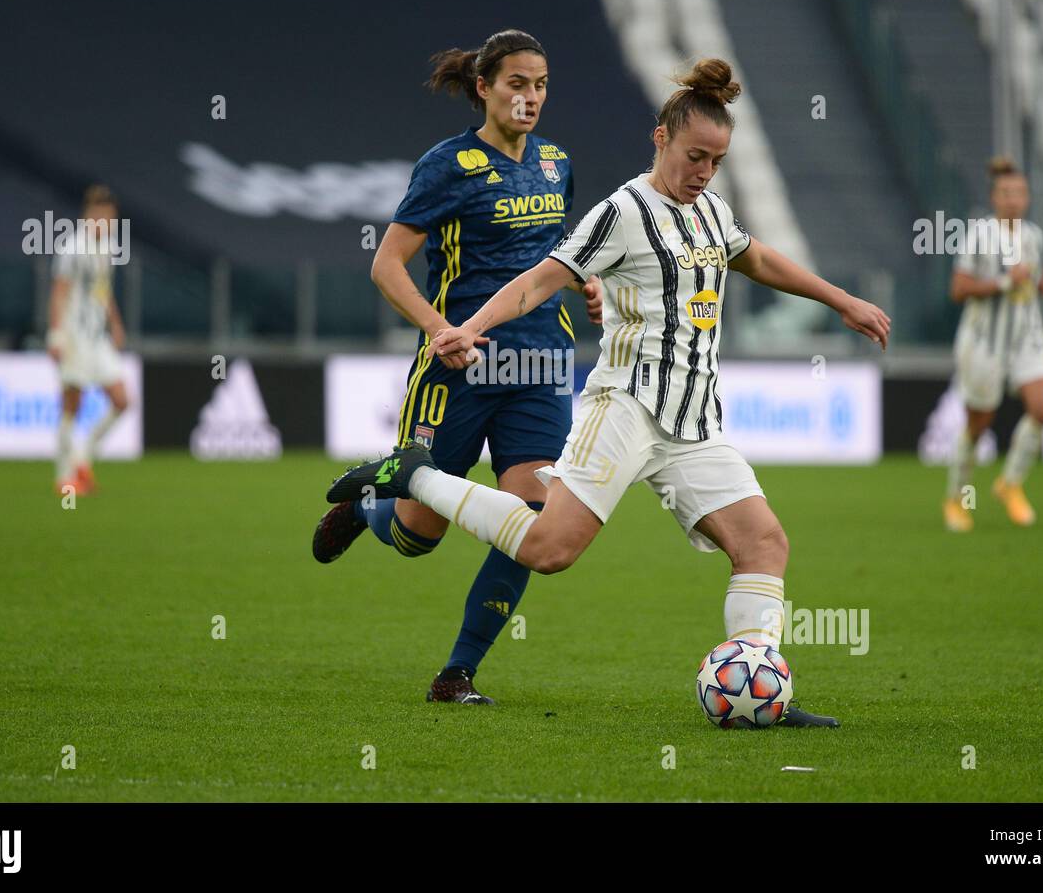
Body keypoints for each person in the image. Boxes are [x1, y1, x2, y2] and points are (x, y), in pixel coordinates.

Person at [326, 58, 892, 727]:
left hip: (693, 423)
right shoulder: (624, 211)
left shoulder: (711, 211)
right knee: (547, 549)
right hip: (623, 407)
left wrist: (840, 300)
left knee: (765, 544)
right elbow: (539, 279)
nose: (704, 172)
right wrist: (466, 328)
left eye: (716, 160)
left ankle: (757, 691)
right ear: (660, 140)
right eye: (694, 157)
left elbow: (758, 258)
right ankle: (415, 477)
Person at [311, 29, 602, 704]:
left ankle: (457, 673)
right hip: (459, 367)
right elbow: (386, 264)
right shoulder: (447, 164)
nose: (531, 98)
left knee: (531, 519)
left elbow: (550, 254)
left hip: (539, 366)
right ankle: (371, 501)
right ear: (484, 88)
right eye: (517, 85)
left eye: (542, 85)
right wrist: (440, 328)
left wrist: (582, 284)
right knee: (420, 535)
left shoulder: (558, 163)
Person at [943, 157, 1043, 532]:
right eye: (1006, 193)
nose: (1013, 200)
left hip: (1027, 337)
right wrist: (1004, 282)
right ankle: (957, 497)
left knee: (1042, 408)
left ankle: (1009, 483)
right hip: (984, 342)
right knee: (979, 425)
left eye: (1020, 193)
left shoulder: (1033, 236)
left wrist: (1040, 285)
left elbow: (1031, 282)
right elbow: (959, 289)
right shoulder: (979, 234)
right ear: (994, 197)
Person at [48, 184, 129, 495]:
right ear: (87, 216)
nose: (104, 222)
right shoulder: (72, 247)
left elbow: (102, 289)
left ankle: (82, 458)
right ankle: (63, 476)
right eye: (99, 216)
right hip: (73, 337)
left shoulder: (107, 246)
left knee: (122, 401)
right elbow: (59, 293)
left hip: (98, 339)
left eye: (109, 217)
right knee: (72, 405)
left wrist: (116, 323)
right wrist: (56, 335)